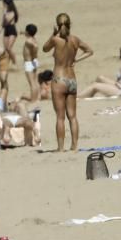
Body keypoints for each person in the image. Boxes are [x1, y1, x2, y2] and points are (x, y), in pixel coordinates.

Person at [43, 13, 93, 151]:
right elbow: (89, 51)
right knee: (72, 116)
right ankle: (75, 146)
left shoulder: (55, 40)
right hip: (71, 79)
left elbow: (45, 48)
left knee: (60, 117)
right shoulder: (75, 40)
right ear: (70, 24)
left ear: (57, 25)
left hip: (59, 79)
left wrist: (52, 34)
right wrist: (77, 60)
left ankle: (60, 148)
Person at [22, 24, 40, 101]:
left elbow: (35, 46)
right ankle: (37, 98)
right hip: (34, 61)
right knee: (35, 81)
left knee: (32, 83)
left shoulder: (28, 41)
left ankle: (33, 99)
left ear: (27, 32)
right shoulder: (33, 38)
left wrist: (34, 54)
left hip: (29, 63)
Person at [0, 0, 19, 65]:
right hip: (6, 30)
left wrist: (4, 13)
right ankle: (7, 63)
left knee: (9, 48)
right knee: (5, 49)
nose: (3, 5)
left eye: (3, 3)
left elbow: (7, 20)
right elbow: (3, 23)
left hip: (12, 30)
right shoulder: (6, 12)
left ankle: (14, 62)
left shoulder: (12, 12)